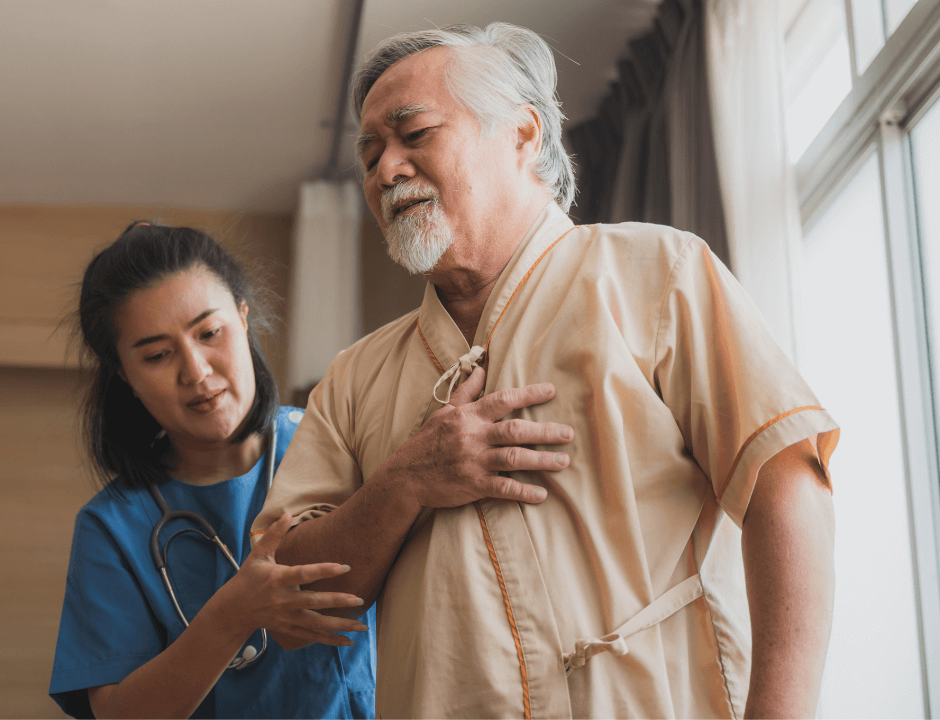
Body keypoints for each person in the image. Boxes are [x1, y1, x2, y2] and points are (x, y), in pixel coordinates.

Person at [254, 23, 839, 719]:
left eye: (414, 135)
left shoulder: (659, 274)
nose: (385, 169)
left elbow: (787, 488)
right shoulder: (353, 379)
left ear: (523, 135)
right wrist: (405, 483)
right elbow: (286, 593)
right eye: (371, 151)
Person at [49, 223, 376, 719]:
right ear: (124, 375)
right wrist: (233, 614)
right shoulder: (112, 528)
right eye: (158, 355)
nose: (196, 372)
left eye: (209, 333)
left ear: (243, 319)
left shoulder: (340, 444)